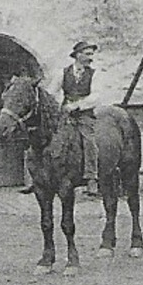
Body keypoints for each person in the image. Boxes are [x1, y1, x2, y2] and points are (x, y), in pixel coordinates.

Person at [53, 40, 103, 196]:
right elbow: (52, 92)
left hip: (84, 114)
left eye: (91, 54)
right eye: (87, 54)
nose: (90, 57)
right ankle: (42, 176)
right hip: (65, 113)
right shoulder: (63, 73)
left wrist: (77, 106)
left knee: (89, 140)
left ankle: (91, 177)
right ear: (77, 55)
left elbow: (96, 96)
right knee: (46, 137)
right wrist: (57, 107)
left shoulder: (95, 74)